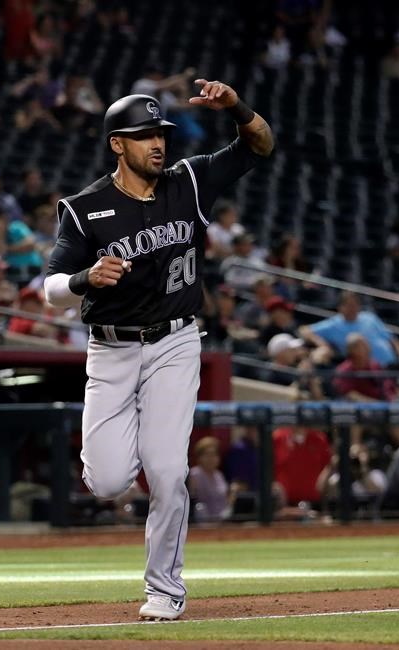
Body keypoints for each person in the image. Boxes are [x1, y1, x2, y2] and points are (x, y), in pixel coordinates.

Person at [44, 80, 274, 620]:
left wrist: (236, 108)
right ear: (117, 144)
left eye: (160, 133)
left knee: (169, 471)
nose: (158, 142)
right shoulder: (85, 209)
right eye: (143, 134)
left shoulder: (189, 181)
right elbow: (48, 288)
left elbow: (261, 146)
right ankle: (126, 497)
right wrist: (83, 278)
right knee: (107, 481)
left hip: (175, 342)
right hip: (112, 352)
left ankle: (164, 590)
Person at [298, 291, 399, 368]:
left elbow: (392, 338)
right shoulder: (333, 324)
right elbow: (304, 330)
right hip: (368, 373)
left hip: (392, 365)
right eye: (349, 305)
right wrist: (321, 343)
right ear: (340, 307)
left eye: (355, 305)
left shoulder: (369, 317)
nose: (353, 308)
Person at [189, 436, 234, 522]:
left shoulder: (219, 475)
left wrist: (233, 494)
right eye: (207, 455)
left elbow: (225, 500)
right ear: (199, 457)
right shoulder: (194, 474)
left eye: (214, 455)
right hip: (202, 521)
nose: (211, 459)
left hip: (222, 519)